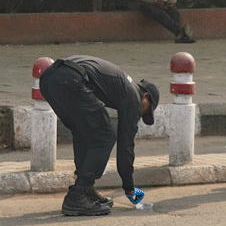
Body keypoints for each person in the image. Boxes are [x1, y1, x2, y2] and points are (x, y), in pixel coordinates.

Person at [35, 55, 159, 216]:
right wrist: (129, 187)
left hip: (49, 79)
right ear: (146, 97)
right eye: (147, 110)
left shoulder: (121, 84)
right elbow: (125, 146)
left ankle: (85, 189)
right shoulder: (134, 97)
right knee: (105, 137)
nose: (141, 113)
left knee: (83, 132)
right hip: (71, 79)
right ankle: (78, 195)